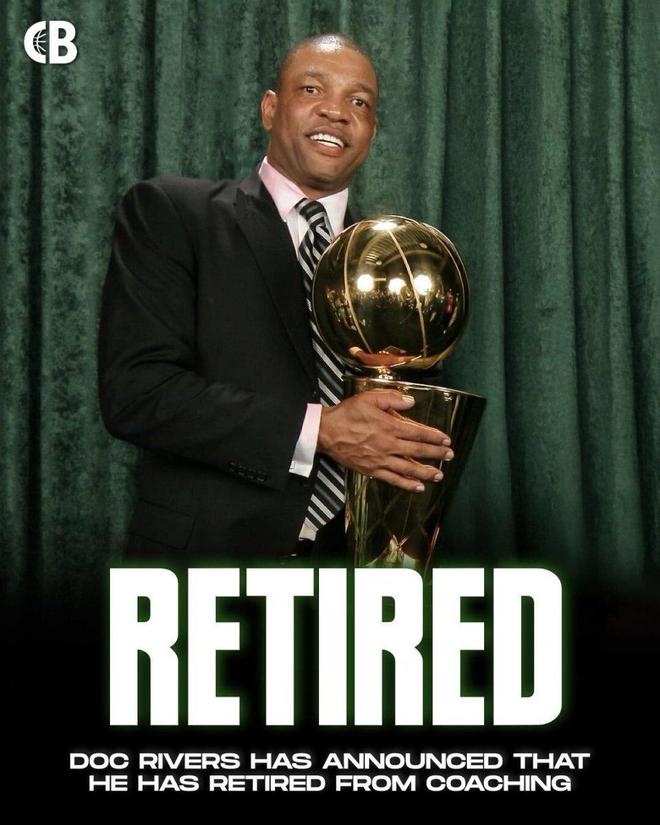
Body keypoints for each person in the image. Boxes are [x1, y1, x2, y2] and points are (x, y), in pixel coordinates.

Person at [98, 33, 454, 564]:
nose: (337, 112)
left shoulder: (399, 261)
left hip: (354, 577)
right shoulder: (173, 213)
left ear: (372, 131)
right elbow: (137, 393)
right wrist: (319, 431)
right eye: (312, 90)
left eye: (359, 102)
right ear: (270, 109)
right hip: (208, 567)